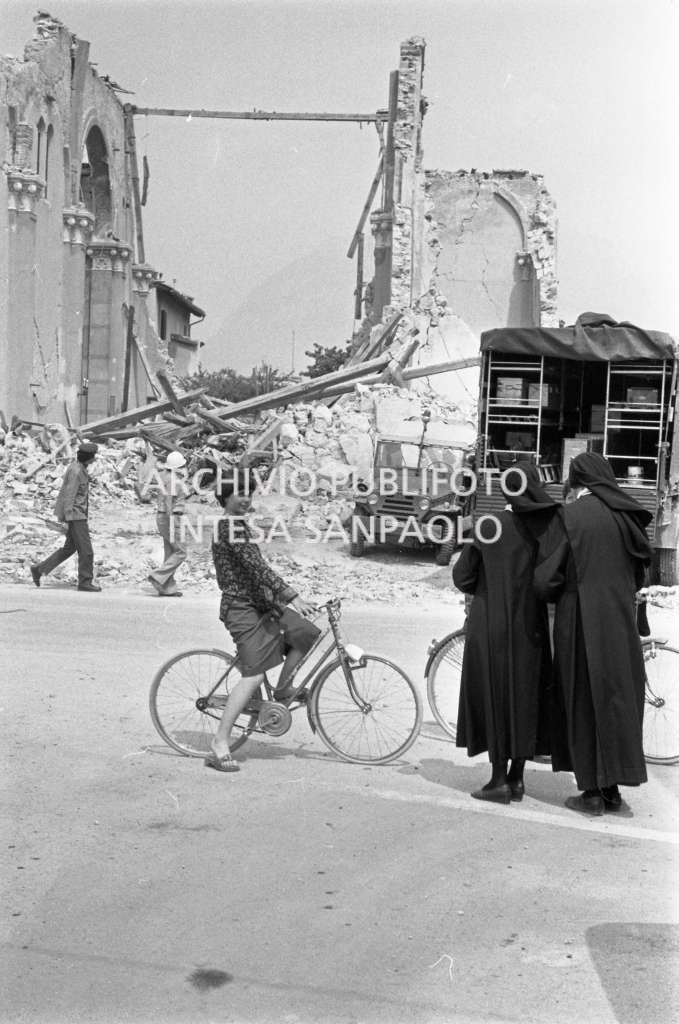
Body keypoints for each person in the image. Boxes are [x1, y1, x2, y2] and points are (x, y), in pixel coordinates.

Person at [534, 452, 652, 815]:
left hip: (579, 618)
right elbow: (640, 573)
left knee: (580, 697)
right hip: (619, 622)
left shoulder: (569, 516)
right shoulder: (626, 517)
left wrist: (554, 594)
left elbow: (545, 579)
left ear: (575, 479)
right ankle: (613, 788)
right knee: (615, 699)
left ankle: (590, 794)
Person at [452, 463, 559, 803]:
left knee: (494, 695)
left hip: (491, 622)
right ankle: (517, 779)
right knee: (525, 695)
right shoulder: (545, 527)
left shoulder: (489, 524)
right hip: (531, 625)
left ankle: (497, 779)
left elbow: (463, 577)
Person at [207, 470, 320, 772]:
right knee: (253, 676)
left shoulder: (240, 525)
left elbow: (258, 571)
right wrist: (292, 596)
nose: (245, 499)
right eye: (238, 494)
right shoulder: (228, 527)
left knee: (305, 632)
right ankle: (220, 742)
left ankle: (284, 690)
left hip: (262, 603)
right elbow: (257, 568)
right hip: (241, 608)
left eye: (249, 494)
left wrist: (284, 599)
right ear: (225, 497)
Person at [30, 440, 101, 592]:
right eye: (93, 456)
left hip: (77, 515)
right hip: (75, 516)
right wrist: (67, 519)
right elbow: (69, 496)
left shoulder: (78, 467)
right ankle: (85, 582)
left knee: (69, 549)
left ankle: (39, 569)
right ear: (88, 458)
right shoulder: (76, 471)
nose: (94, 459)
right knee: (87, 551)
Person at [146, 450, 189, 598]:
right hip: (170, 516)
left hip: (161, 516)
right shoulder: (174, 481)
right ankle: (158, 576)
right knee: (181, 552)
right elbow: (171, 502)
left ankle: (166, 587)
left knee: (170, 552)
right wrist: (174, 522)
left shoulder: (163, 476)